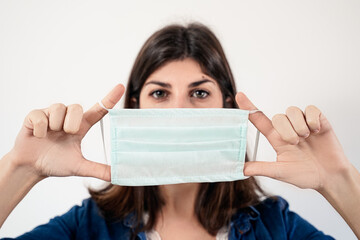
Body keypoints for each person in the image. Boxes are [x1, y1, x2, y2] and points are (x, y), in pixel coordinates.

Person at [0, 22, 359, 240]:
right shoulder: (87, 228)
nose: (179, 112)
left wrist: (337, 179)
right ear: (136, 107)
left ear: (227, 106)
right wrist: (21, 168)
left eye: (200, 93)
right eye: (160, 93)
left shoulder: (275, 227)